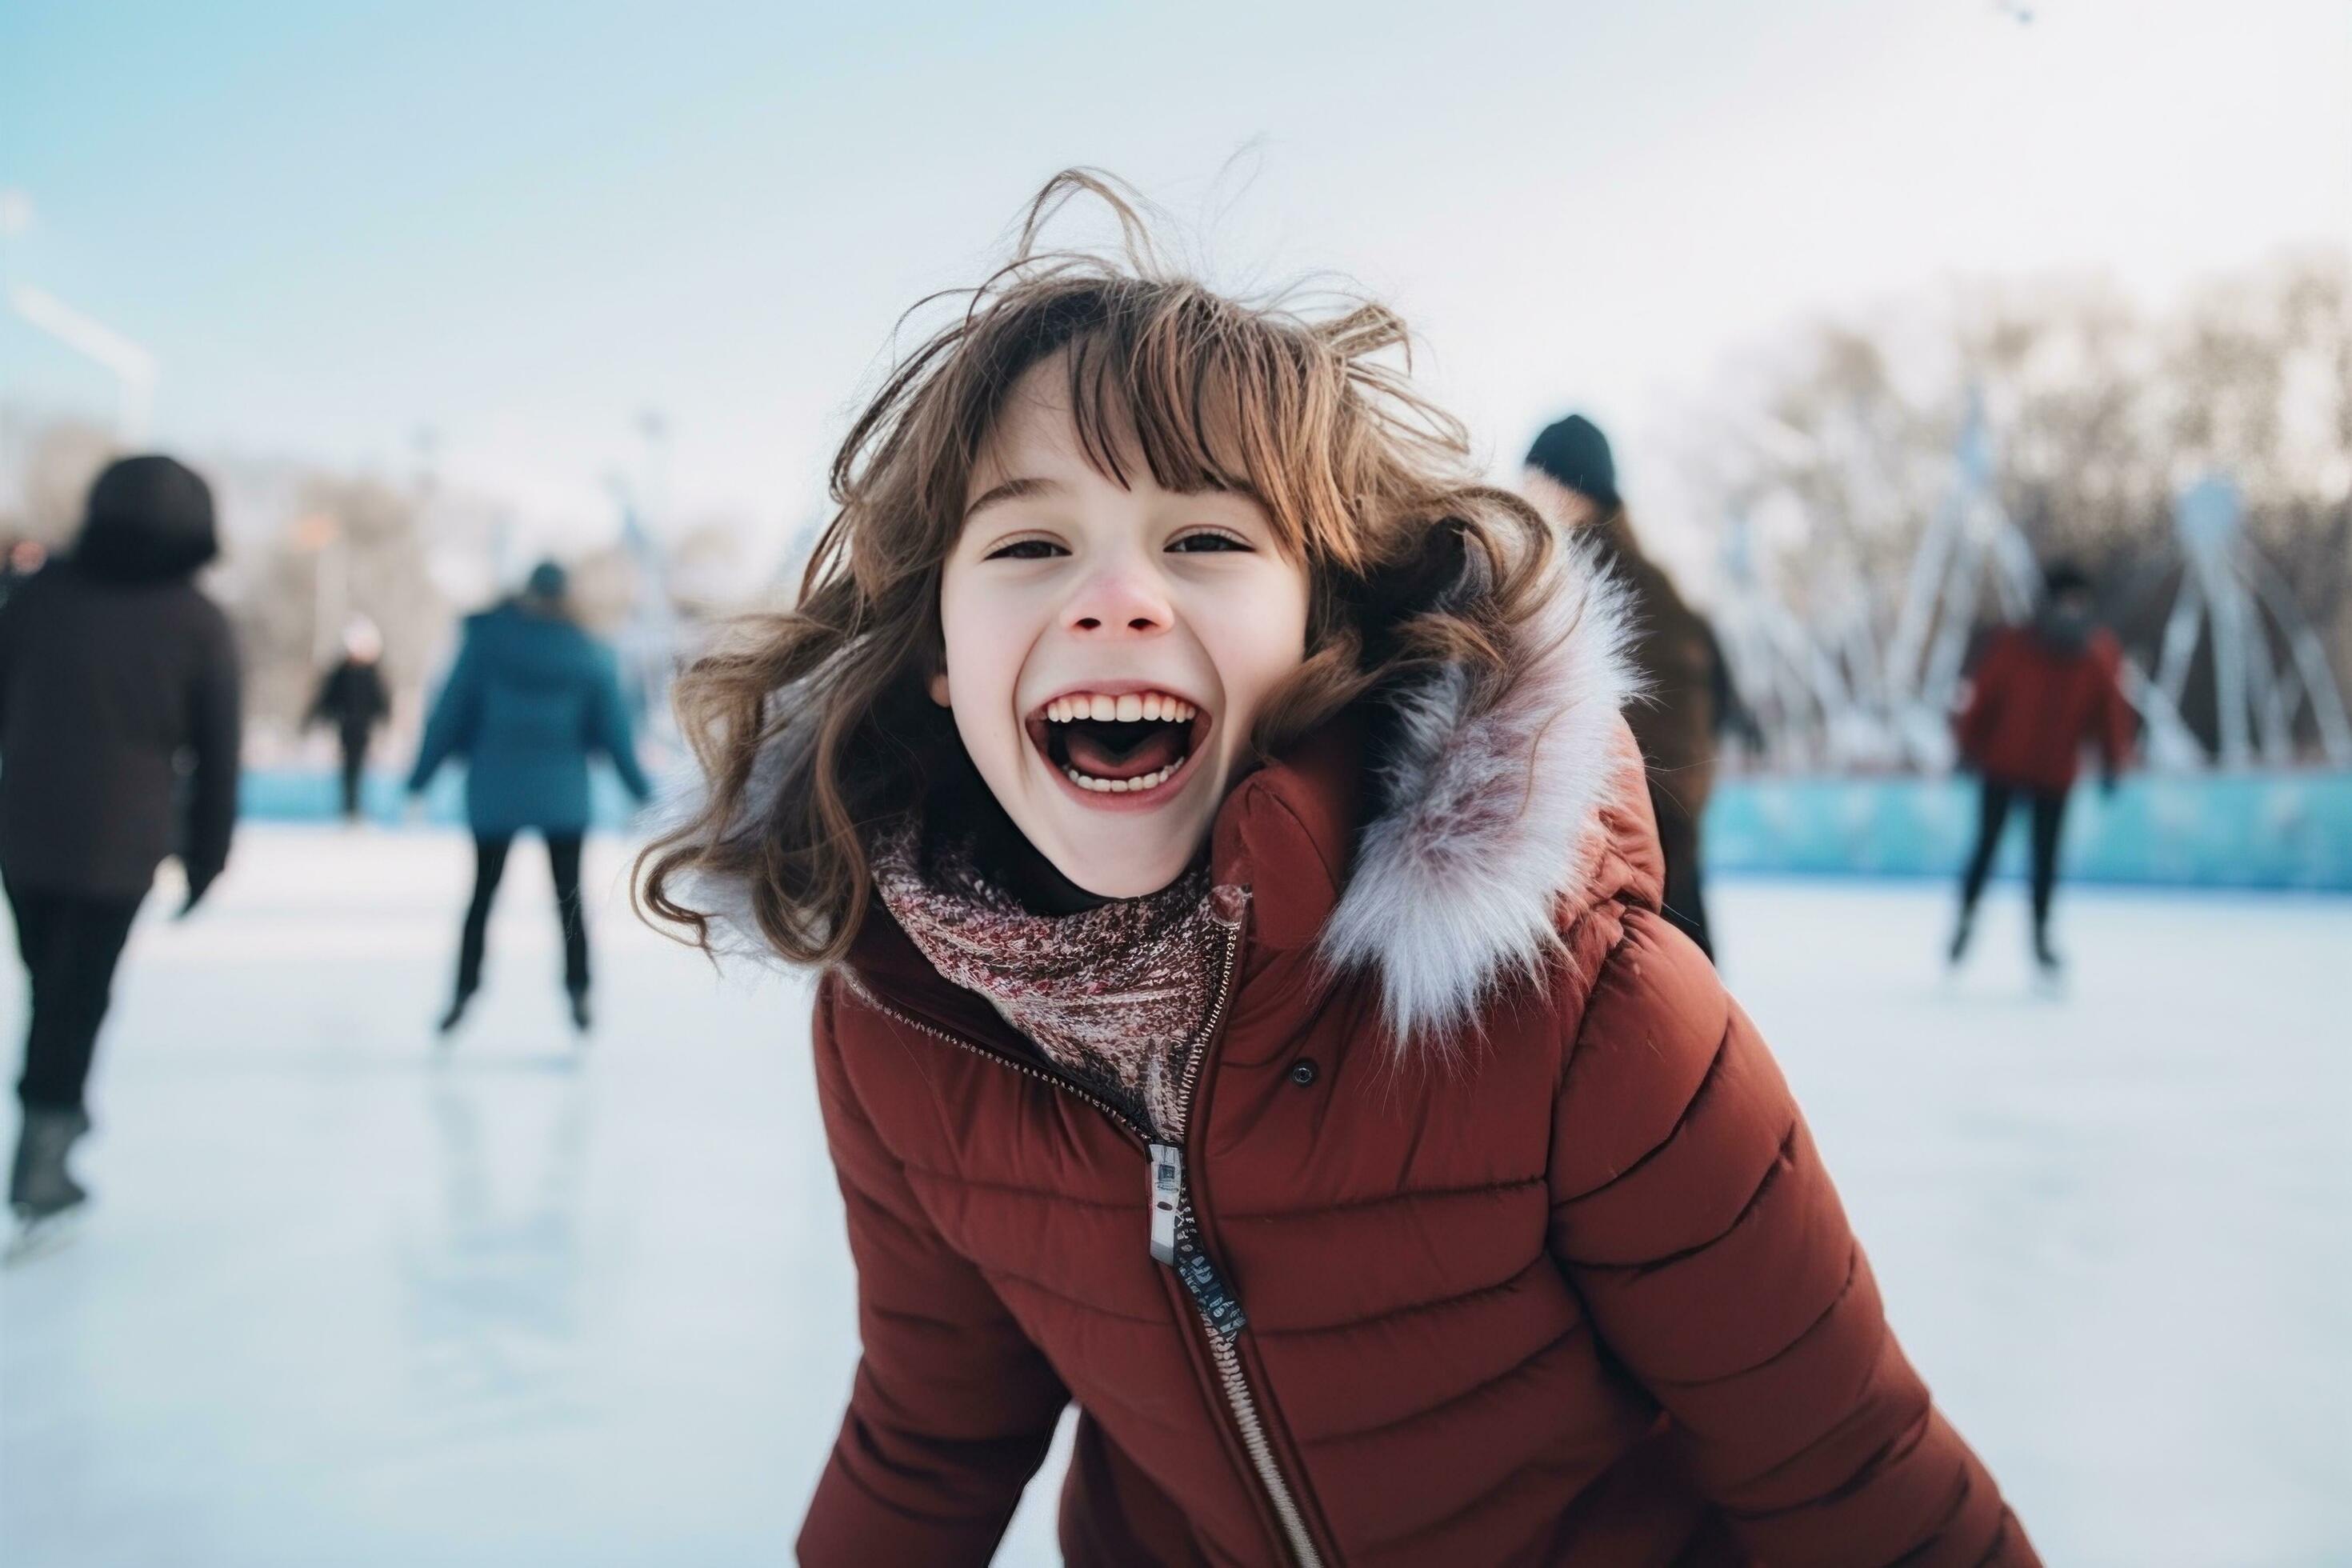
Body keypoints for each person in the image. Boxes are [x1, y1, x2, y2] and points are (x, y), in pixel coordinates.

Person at [639, 173, 2036, 1566]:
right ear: (941, 658)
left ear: (1325, 625)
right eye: (1028, 543)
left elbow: (1858, 1480)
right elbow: (930, 1438)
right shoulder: (905, 1022)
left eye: (1203, 539)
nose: (1117, 595)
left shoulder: (1582, 1017)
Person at [0, 456, 241, 1233]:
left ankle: (52, 1118)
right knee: (77, 992)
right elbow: (219, 751)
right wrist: (207, 857)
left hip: (26, 830)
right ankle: (49, 1136)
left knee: (52, 985)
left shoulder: (39, 597)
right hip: (119, 839)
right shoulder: (199, 619)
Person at [408, 562, 650, 1035]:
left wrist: (419, 780)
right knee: (569, 898)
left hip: (495, 792)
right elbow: (616, 732)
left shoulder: (486, 644)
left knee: (482, 896)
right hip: (562, 795)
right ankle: (578, 988)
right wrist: (641, 793)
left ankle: (463, 989)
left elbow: (449, 714)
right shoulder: (586, 652)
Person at [1522, 414, 1726, 960]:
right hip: (1651, 842)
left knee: (1648, 1016)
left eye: (1537, 478)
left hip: (1626, 848)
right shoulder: (1642, 579)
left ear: (1572, 486)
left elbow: (1675, 719)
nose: (1525, 494)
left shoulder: (1586, 580)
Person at [1950, 559, 2133, 972]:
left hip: (2055, 775)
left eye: (2078, 602)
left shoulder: (2096, 654)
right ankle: (1965, 917)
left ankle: (2041, 938)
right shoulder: (2014, 646)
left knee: (2046, 859)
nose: (2071, 610)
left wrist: (2112, 761)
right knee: (1986, 848)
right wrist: (1967, 747)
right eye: (2064, 601)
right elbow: (1982, 699)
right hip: (2003, 766)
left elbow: (2110, 714)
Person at [307, 617, 391, 822]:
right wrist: (316, 718)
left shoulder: (372, 673)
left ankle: (355, 808)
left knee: (359, 769)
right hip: (346, 728)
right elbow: (327, 697)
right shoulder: (342, 672)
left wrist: (384, 719)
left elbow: (380, 699)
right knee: (349, 769)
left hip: (363, 729)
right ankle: (349, 809)